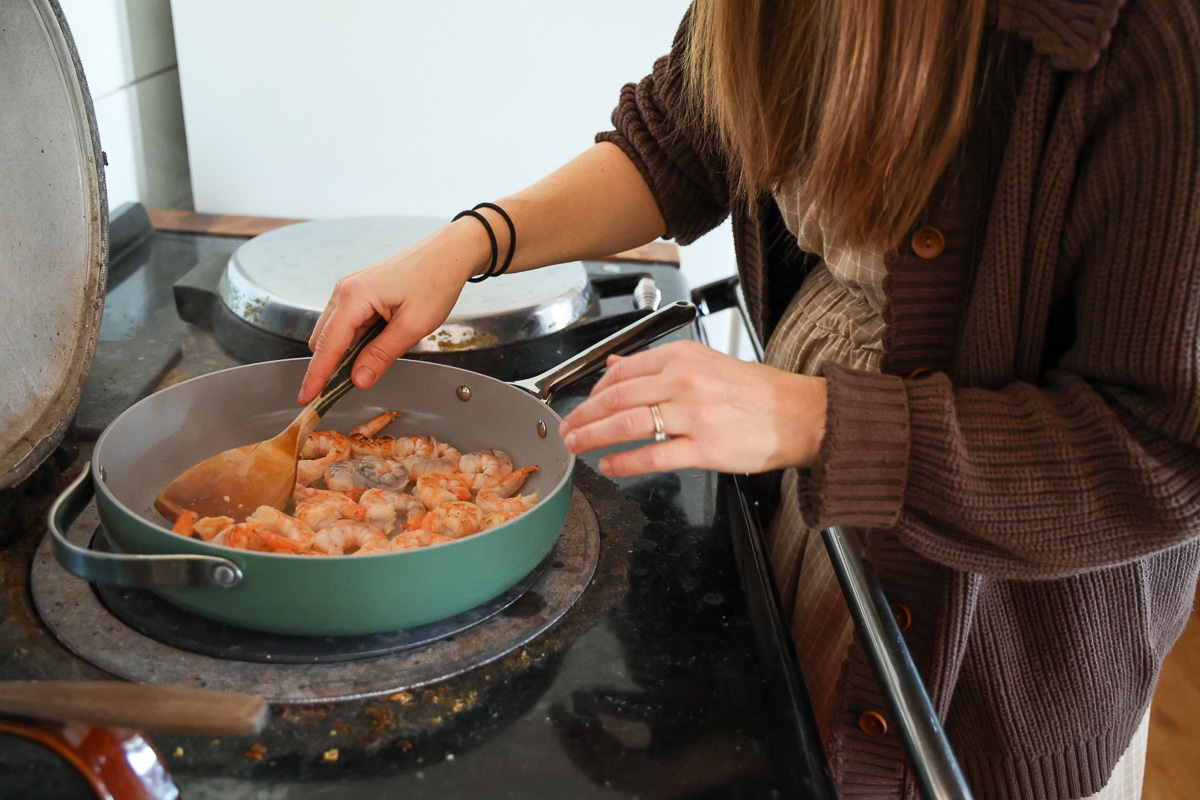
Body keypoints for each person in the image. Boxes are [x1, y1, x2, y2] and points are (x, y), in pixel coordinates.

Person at [299, 0, 1200, 797]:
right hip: (814, 494)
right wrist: (470, 242)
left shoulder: (1153, 37)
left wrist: (817, 421)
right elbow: (684, 143)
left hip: (1005, 627)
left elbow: (1161, 457)